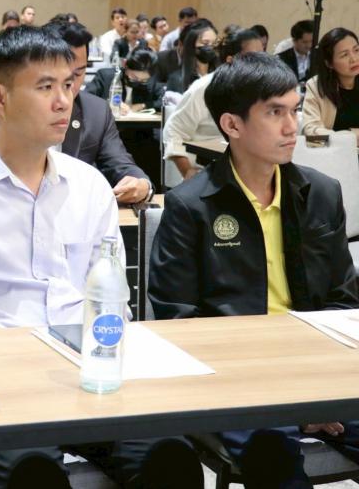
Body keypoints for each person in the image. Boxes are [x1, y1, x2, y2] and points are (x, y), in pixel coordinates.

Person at [0, 24, 199, 489]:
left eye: (69, 85)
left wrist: (105, 361)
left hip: (90, 372)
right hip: (0, 379)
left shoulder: (89, 185)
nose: (64, 101)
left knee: (171, 459)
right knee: (35, 476)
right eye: (45, 87)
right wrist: (20, 376)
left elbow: (112, 297)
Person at [150, 52, 359, 488]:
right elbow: (179, 324)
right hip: (237, 382)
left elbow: (344, 301)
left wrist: (316, 390)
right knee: (275, 458)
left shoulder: (321, 193)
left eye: (295, 110)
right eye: (275, 113)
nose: (292, 127)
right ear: (232, 124)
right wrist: (289, 403)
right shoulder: (191, 206)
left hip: (316, 370)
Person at [0, 22, 152, 204]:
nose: (65, 98)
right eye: (47, 85)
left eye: (74, 78)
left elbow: (121, 165)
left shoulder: (96, 112)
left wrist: (142, 185)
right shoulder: (7, 108)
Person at [164, 27, 263, 179]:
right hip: (205, 166)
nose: (261, 63)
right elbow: (173, 131)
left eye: (263, 55)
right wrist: (187, 171)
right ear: (230, 60)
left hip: (246, 164)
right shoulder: (205, 87)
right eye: (252, 57)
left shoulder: (261, 88)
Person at [302, 27, 359, 145]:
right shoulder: (316, 86)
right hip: (331, 153)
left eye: (356, 50)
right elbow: (311, 131)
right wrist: (350, 136)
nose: (354, 59)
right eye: (344, 55)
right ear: (329, 63)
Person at [87, 48, 164, 112]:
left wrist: (143, 105)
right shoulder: (105, 76)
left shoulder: (151, 81)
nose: (138, 81)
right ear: (125, 65)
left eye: (143, 80)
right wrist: (109, 105)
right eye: (134, 77)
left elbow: (165, 101)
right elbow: (86, 98)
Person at [166, 20, 218, 94]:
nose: (211, 47)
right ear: (191, 45)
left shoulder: (220, 75)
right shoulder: (177, 79)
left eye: (215, 43)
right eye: (205, 43)